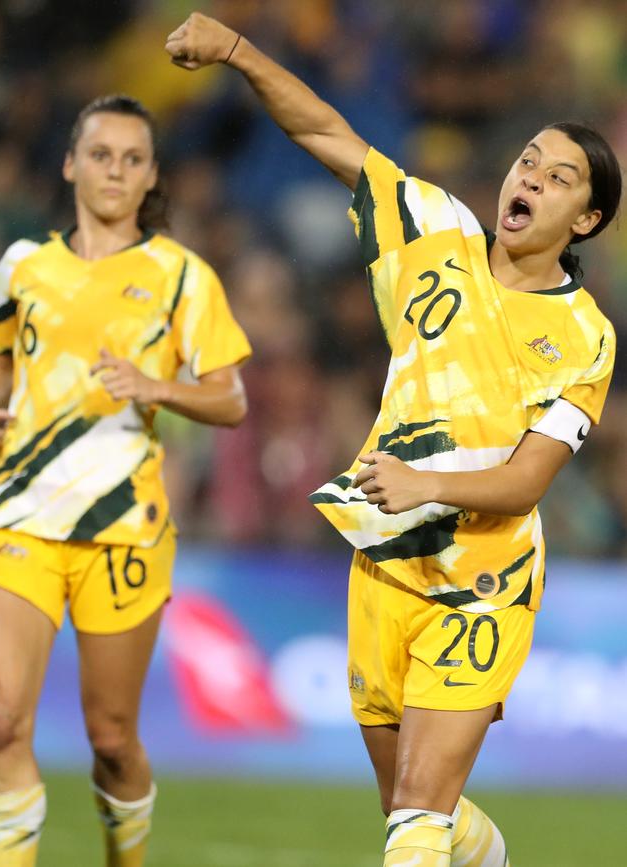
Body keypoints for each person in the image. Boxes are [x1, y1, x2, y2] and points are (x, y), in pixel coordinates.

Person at [165, 14, 621, 867]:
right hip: (383, 559)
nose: (529, 177)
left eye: (557, 177)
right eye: (527, 159)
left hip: (482, 580)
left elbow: (527, 482)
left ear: (586, 218)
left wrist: (425, 484)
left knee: (414, 818)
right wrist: (236, 50)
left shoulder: (586, 335)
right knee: (410, 807)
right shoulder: (432, 228)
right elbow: (324, 132)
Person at [0, 93, 251, 867]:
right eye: (101, 154)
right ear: (70, 163)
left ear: (151, 175)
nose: (115, 172)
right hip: (13, 514)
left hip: (122, 528)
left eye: (133, 159)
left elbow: (230, 397)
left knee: (113, 738)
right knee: (2, 722)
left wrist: (158, 387)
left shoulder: (180, 278)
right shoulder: (22, 264)